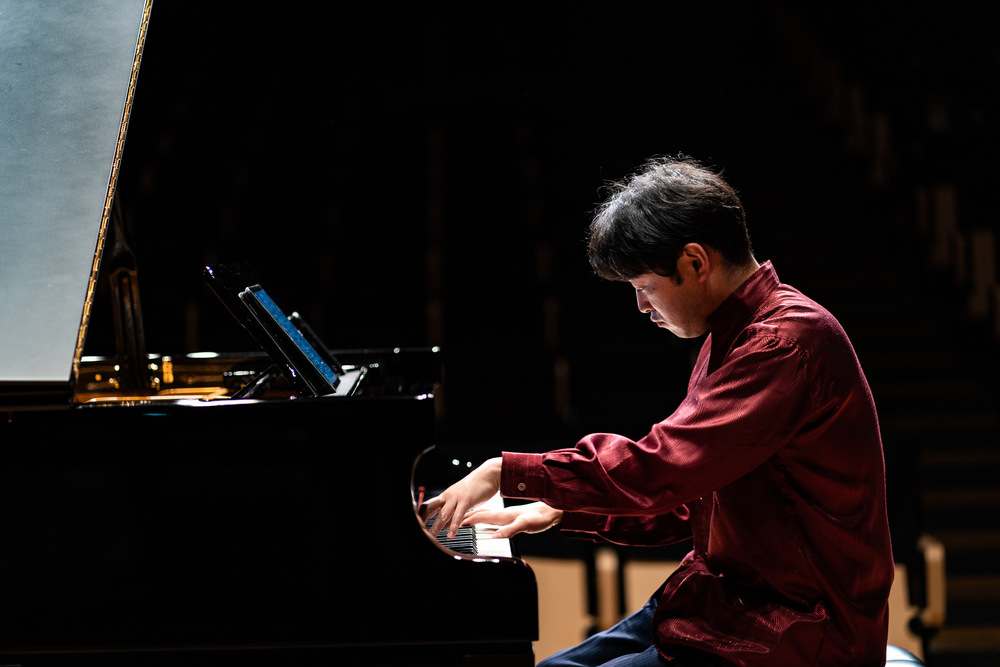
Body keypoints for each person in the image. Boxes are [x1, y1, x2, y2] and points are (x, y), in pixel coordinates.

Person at [421, 156, 894, 666]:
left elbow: (661, 469)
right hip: (731, 601)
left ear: (695, 263)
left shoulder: (783, 343)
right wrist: (562, 508)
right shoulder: (733, 336)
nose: (643, 308)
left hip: (801, 629)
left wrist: (505, 471)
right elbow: (695, 496)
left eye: (644, 287)